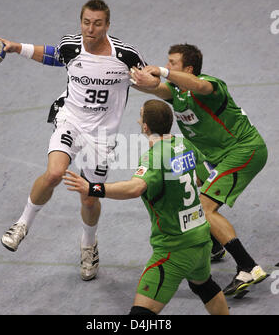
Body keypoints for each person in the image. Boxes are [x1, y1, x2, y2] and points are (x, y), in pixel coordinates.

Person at [0, 0, 147, 281]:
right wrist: (18, 47)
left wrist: (157, 84)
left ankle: (89, 244)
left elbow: (147, 80)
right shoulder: (72, 45)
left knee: (89, 197)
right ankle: (21, 224)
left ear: (107, 25)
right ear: (81, 22)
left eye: (97, 23)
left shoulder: (125, 56)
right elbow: (54, 55)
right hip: (71, 121)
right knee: (54, 173)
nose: (91, 29)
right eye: (86, 22)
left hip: (102, 135)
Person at [63, 99, 229, 315]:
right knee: (204, 286)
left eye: (140, 115)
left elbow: (135, 188)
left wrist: (91, 188)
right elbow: (204, 177)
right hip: (201, 240)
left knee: (140, 316)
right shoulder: (185, 144)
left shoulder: (153, 158)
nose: (138, 118)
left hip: (173, 249)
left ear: (145, 126)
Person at [129, 43, 268, 296]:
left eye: (172, 63)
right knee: (191, 190)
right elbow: (150, 85)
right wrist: (124, 76)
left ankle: (248, 267)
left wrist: (161, 70)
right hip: (213, 156)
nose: (167, 66)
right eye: (167, 62)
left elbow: (199, 86)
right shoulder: (176, 93)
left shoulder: (210, 86)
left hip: (243, 151)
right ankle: (215, 245)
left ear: (188, 68)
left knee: (205, 206)